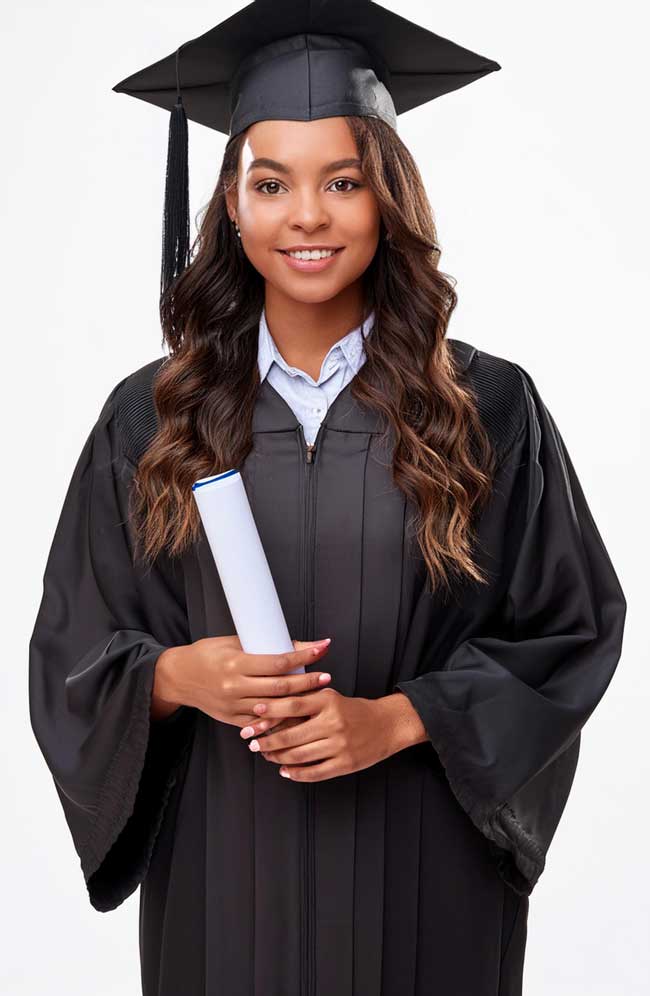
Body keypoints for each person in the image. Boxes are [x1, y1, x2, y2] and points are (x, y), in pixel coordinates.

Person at [28, 2, 627, 994]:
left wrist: (397, 719)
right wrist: (179, 678)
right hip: (226, 882)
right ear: (230, 202)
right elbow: (72, 646)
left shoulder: (487, 406)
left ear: (384, 198)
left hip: (423, 886)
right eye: (271, 183)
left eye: (341, 181)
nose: (306, 215)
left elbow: (568, 628)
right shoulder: (151, 417)